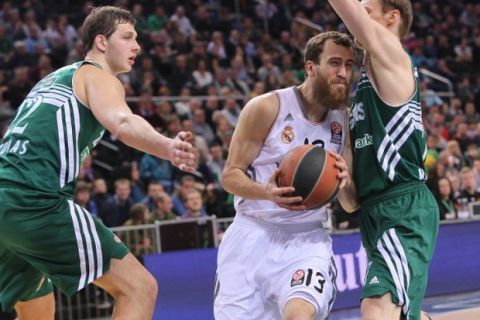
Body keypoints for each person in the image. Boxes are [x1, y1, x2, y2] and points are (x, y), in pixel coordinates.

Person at [0, 6, 195, 320]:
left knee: (36, 305)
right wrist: (167, 145)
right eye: (128, 37)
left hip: (4, 202)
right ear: (101, 42)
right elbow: (123, 121)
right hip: (36, 201)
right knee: (139, 288)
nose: (137, 47)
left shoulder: (54, 79)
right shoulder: (97, 75)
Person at [214, 31, 357, 320]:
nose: (343, 73)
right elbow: (229, 176)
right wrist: (265, 192)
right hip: (251, 234)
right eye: (334, 63)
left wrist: (344, 183)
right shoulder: (267, 107)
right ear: (310, 67)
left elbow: (351, 204)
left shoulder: (343, 122)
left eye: (349, 65)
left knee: (298, 315)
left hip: (306, 241)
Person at [327, 1, 439, 319]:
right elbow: (350, 204)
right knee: (402, 313)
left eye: (367, 9)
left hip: (404, 209)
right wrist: (337, 174)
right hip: (375, 214)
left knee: (376, 308)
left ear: (391, 18)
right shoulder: (359, 93)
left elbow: (348, 14)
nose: (358, 15)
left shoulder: (392, 55)